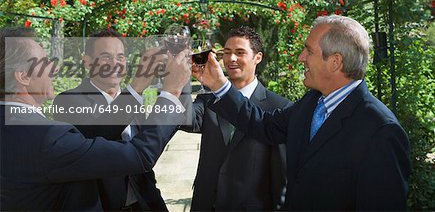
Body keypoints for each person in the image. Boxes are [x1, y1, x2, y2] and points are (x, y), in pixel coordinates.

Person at [193, 15, 411, 211]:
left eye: (309, 51)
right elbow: (264, 126)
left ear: (335, 61)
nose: (300, 57)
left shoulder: (380, 130)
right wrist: (220, 86)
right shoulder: (311, 102)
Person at [0, 27, 191, 211]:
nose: (54, 68)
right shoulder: (54, 122)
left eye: (121, 56)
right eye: (44, 62)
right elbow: (136, 152)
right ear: (23, 76)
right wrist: (171, 91)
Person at [53, 29, 169, 211]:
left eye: (121, 57)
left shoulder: (133, 101)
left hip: (145, 201)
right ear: (87, 62)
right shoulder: (67, 100)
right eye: (106, 57)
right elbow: (98, 135)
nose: (115, 63)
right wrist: (136, 88)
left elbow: (146, 150)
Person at [185, 27, 291, 211]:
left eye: (240, 53)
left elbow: (282, 182)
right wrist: (180, 78)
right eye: (227, 53)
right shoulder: (209, 100)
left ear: (258, 57)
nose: (231, 59)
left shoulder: (279, 109)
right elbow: (179, 117)